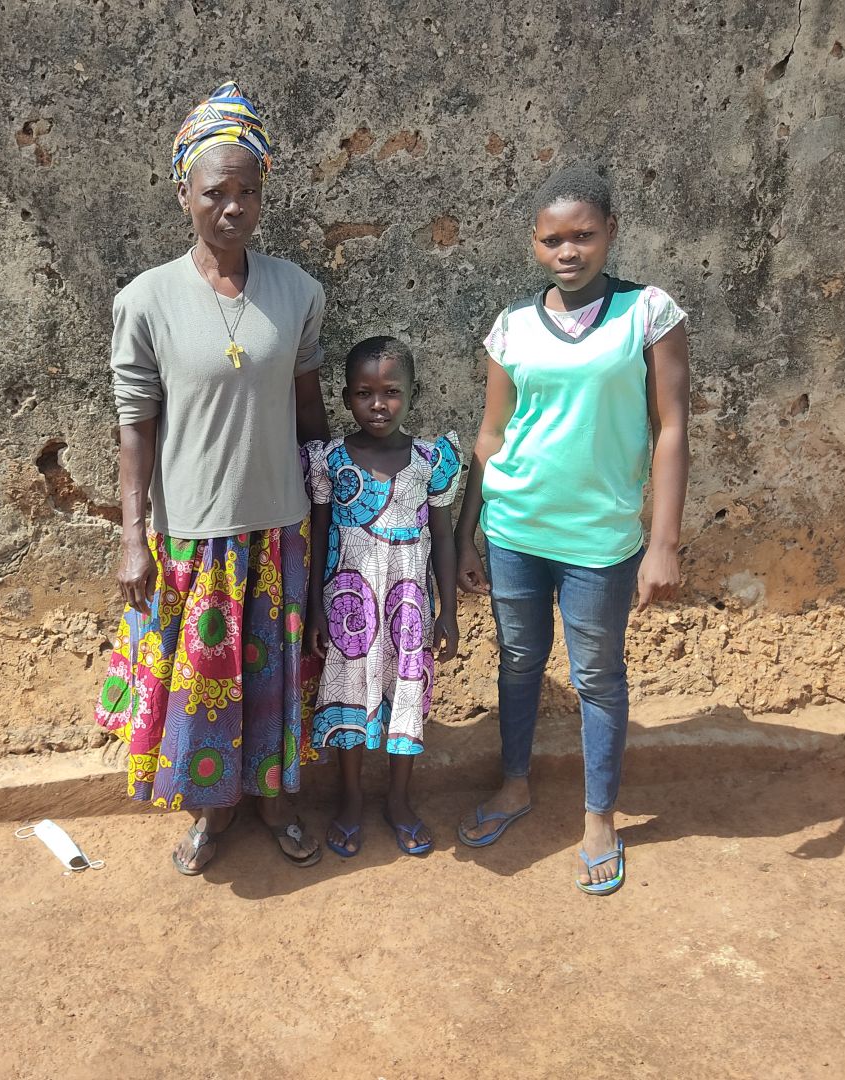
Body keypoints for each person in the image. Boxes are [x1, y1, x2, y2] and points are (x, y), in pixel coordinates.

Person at [93, 82, 330, 876]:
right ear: (182, 194)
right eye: (215, 192)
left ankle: (277, 802)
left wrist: (329, 510)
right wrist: (134, 537)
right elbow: (135, 426)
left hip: (279, 527)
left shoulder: (297, 292)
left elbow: (310, 409)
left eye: (248, 191)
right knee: (203, 688)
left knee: (273, 680)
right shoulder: (146, 300)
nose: (233, 207)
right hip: (192, 534)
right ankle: (210, 811)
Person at [454, 165, 690, 895]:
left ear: (610, 233)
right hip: (515, 530)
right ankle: (515, 784)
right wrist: (467, 535)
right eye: (552, 239)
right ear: (534, 243)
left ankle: (598, 819)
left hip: (600, 541)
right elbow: (491, 436)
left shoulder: (649, 313)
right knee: (519, 661)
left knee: (597, 676)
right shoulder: (512, 328)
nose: (568, 251)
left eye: (583, 236)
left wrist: (663, 542)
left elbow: (672, 427)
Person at [306, 337, 461, 857]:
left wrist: (448, 612)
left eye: (392, 392)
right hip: (348, 607)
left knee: (406, 694)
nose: (378, 404)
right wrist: (315, 609)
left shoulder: (430, 460)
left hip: (409, 611)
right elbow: (320, 535)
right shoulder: (329, 460)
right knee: (350, 694)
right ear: (346, 397)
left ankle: (398, 799)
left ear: (413, 394)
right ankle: (350, 797)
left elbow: (442, 537)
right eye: (363, 393)